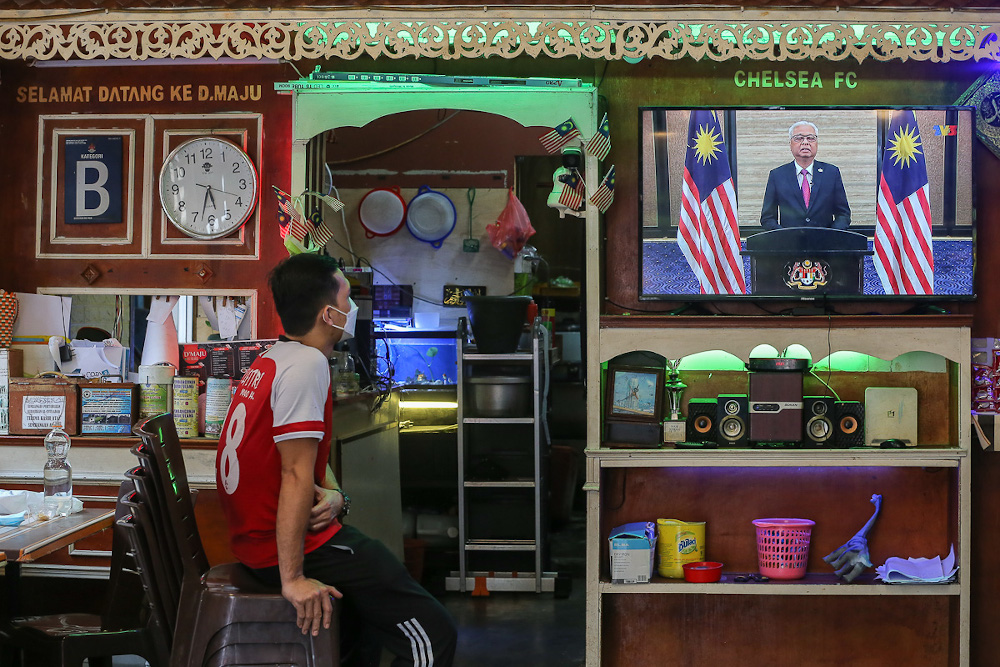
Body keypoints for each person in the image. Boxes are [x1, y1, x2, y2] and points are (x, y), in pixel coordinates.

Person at [216, 253, 457, 666]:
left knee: (361, 624)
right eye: (347, 299)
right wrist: (293, 579)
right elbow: (294, 473)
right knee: (433, 634)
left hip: (258, 542)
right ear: (328, 314)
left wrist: (335, 495)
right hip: (286, 549)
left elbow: (302, 461)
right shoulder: (308, 365)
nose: (352, 308)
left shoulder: (274, 357)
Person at [759, 121, 851, 230]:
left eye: (811, 138)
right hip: (789, 243)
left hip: (825, 243)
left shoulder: (831, 173)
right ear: (790, 144)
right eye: (799, 138)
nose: (805, 142)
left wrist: (831, 236)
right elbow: (767, 218)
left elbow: (843, 214)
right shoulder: (777, 175)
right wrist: (784, 237)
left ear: (817, 143)